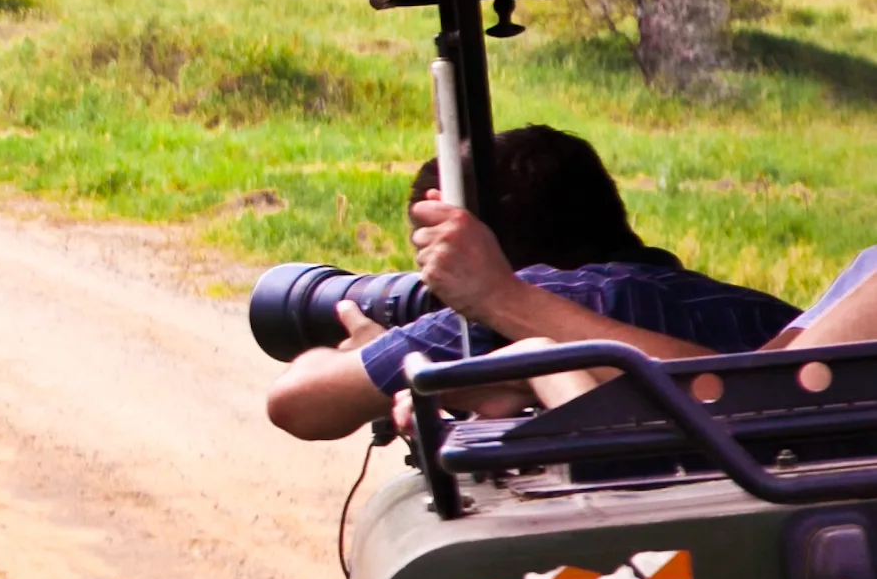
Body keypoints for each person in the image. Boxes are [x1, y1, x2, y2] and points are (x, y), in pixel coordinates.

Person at [264, 126, 800, 440]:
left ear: (480, 255)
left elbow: (296, 402)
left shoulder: (529, 303)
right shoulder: (766, 314)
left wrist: (385, 349)